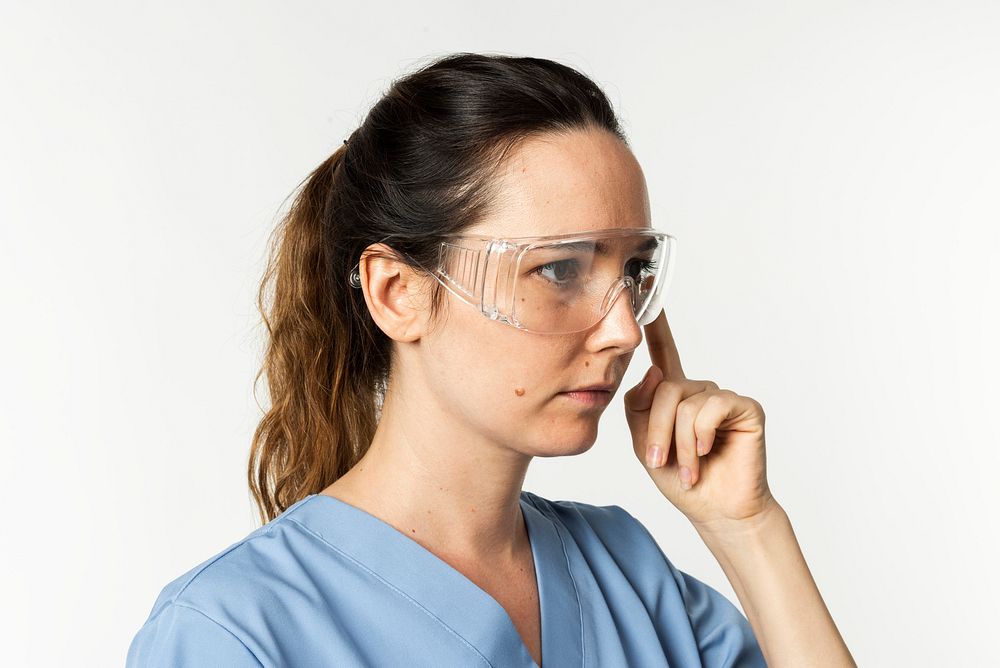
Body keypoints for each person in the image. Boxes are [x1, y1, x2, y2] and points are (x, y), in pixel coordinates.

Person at [126, 52, 855, 667]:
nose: (624, 330)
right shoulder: (234, 632)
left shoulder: (631, 580)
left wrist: (749, 529)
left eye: (633, 270)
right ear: (398, 292)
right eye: (559, 270)